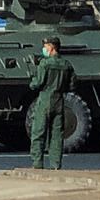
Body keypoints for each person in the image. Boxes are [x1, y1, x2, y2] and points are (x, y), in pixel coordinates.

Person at [28, 36, 77, 170]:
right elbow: (72, 85)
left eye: (46, 46)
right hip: (59, 100)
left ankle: (37, 163)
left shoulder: (45, 63)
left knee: (38, 132)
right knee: (57, 135)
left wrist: (31, 82)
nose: (44, 48)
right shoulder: (67, 64)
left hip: (45, 99)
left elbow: (37, 83)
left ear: (52, 47)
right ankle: (56, 164)